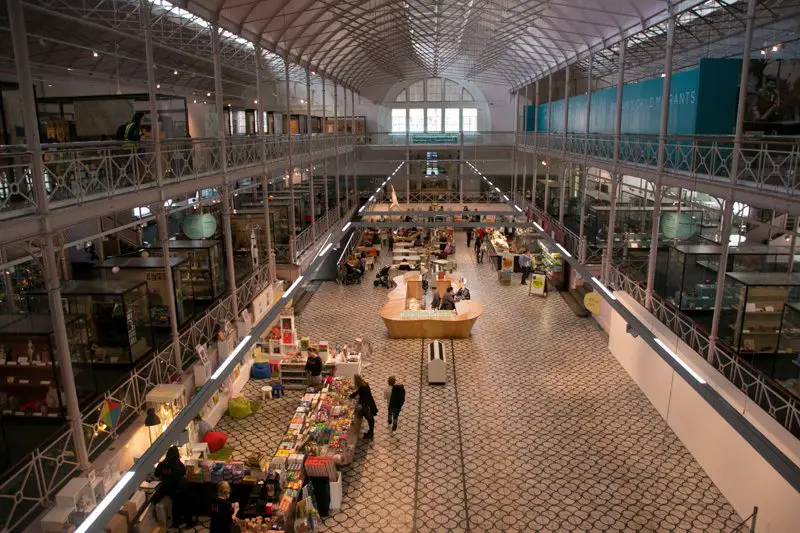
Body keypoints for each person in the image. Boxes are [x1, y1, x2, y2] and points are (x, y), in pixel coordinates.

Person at [154, 446, 193, 528]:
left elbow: (156, 474)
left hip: (171, 490)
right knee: (186, 504)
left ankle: (176, 522)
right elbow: (183, 472)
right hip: (180, 488)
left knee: (176, 505)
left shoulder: (162, 464)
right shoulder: (178, 464)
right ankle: (189, 523)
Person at [350, 375, 378, 439]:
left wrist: (350, 396)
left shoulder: (361, 387)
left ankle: (370, 433)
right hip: (370, 403)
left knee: (369, 418)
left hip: (366, 405)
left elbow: (356, 393)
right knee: (371, 419)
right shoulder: (365, 384)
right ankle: (371, 432)